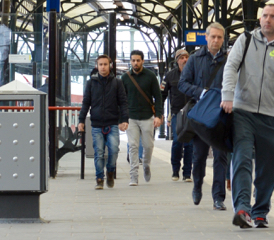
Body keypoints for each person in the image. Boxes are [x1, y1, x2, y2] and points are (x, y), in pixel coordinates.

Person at [221, 4, 274, 229]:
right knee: (241, 159)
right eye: (265, 16)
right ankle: (242, 208)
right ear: (260, 19)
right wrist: (228, 95)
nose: (267, 20)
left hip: (272, 116)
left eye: (273, 17)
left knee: (268, 167)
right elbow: (231, 67)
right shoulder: (245, 41)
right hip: (243, 111)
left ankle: (260, 212)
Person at [180, 23, 231, 209]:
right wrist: (201, 92)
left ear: (223, 39)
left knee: (220, 156)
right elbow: (182, 83)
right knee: (199, 155)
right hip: (201, 114)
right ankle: (197, 186)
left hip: (221, 115)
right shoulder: (195, 59)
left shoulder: (229, 60)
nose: (216, 40)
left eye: (219, 37)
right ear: (206, 37)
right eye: (213, 37)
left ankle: (218, 197)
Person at [76, 55, 128, 189]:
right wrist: (81, 121)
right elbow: (86, 103)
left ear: (110, 66)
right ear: (97, 66)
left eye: (105, 64)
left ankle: (110, 171)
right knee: (98, 152)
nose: (103, 67)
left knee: (114, 150)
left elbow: (123, 103)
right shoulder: (91, 83)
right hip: (96, 124)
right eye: (100, 64)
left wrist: (124, 120)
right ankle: (99, 178)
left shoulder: (117, 83)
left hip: (112, 123)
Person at [121, 50, 163, 185]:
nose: (135, 63)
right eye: (133, 60)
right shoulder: (125, 78)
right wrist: (122, 118)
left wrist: (158, 116)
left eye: (138, 60)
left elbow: (158, 97)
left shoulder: (150, 76)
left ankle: (146, 165)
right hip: (131, 117)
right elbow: (121, 100)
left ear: (143, 61)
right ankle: (133, 175)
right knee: (133, 146)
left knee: (148, 146)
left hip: (147, 117)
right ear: (130, 61)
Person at [165, 47, 191, 180]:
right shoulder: (170, 76)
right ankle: (175, 169)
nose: (185, 60)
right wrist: (159, 113)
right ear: (177, 61)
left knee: (190, 144)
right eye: (182, 58)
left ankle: (187, 173)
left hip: (192, 113)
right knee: (177, 141)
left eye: (186, 57)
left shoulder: (194, 74)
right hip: (177, 113)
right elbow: (162, 94)